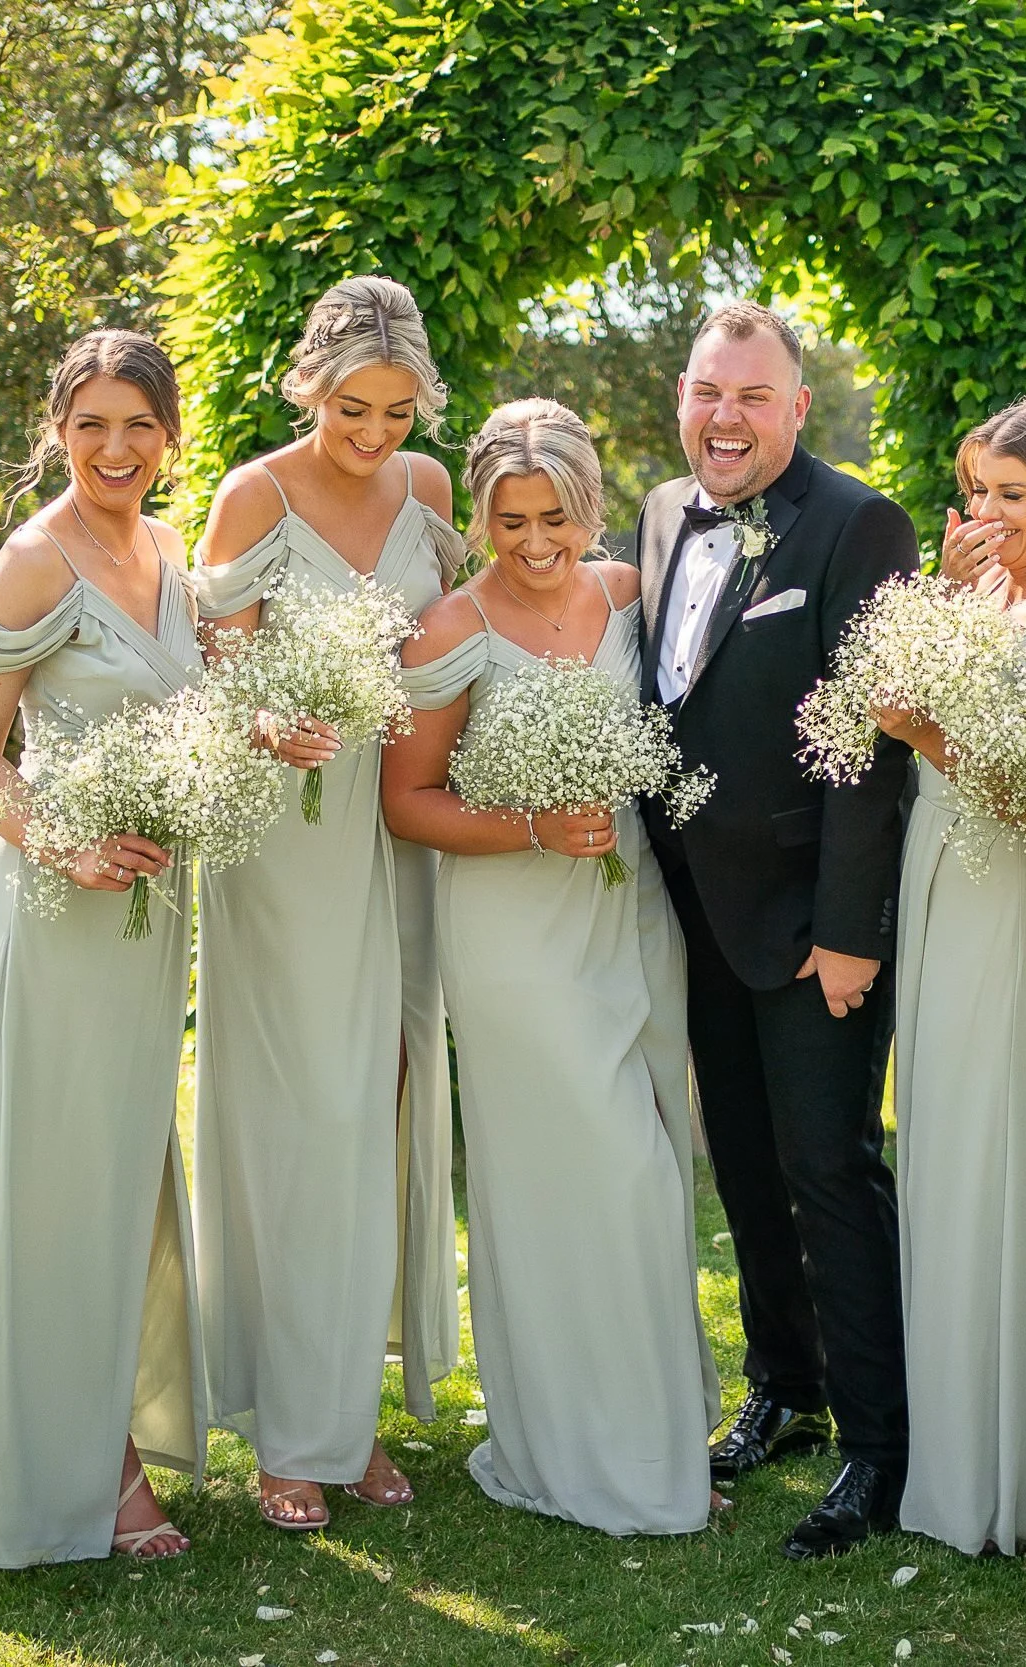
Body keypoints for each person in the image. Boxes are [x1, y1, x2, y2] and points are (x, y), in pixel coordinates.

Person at [383, 399, 721, 1536]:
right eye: (511, 519)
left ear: (589, 506)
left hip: (632, 919)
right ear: (480, 515)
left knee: (654, 1164)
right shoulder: (448, 629)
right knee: (582, 1173)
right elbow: (406, 800)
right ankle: (578, 1446)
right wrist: (530, 825)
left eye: (557, 517)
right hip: (515, 934)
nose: (536, 542)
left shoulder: (628, 596)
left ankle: (654, 1427)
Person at [634, 301, 918, 1560]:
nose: (725, 417)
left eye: (753, 396)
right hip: (691, 913)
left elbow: (871, 746)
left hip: (812, 928)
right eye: (707, 391)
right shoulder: (654, 517)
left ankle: (877, 1444)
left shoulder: (858, 524)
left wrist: (850, 930)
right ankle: (784, 1385)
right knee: (742, 1163)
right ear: (682, 398)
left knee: (829, 1170)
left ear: (798, 408)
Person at [0, 328, 205, 1566]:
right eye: (89, 422)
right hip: (54, 910)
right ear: (57, 430)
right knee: (50, 1176)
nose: (114, 448)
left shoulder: (170, 554)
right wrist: (64, 845)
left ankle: (111, 1438)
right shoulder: (34, 562)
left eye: (137, 422)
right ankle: (71, 1469)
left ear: (169, 436)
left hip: (147, 919)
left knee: (120, 1171)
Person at [189, 275, 460, 1531]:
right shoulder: (255, 492)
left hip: (399, 824)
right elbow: (207, 656)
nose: (374, 434)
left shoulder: (432, 493)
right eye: (353, 407)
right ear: (311, 386)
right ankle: (285, 1432)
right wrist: (263, 716)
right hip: (283, 829)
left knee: (381, 1106)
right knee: (300, 1110)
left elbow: (451, 644)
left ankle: (346, 1416)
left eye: (397, 412)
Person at [876, 397, 1026, 1557]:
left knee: (993, 1162)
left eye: (1011, 496)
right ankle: (950, 1442)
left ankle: (1011, 1470)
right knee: (938, 1153)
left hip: (1010, 911)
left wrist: (922, 732)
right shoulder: (983, 600)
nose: (987, 515)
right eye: (974, 491)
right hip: (938, 886)